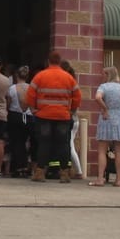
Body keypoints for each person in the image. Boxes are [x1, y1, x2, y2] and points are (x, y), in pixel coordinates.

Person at [30, 50, 81, 182]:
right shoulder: (68, 78)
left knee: (44, 143)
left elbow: (30, 95)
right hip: (63, 116)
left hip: (44, 116)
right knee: (63, 144)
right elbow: (77, 97)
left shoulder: (40, 76)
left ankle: (40, 173)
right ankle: (64, 174)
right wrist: (71, 111)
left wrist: (34, 110)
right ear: (59, 61)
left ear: (48, 61)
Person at [95, 65, 120, 186]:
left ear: (108, 75)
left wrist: (105, 108)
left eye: (103, 74)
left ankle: (100, 179)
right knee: (119, 151)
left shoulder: (104, 87)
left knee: (102, 150)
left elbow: (97, 97)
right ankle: (118, 179)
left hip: (106, 119)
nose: (102, 76)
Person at [6, 65, 33, 178]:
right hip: (28, 117)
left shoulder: (12, 88)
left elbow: (8, 104)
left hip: (15, 116)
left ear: (17, 75)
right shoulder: (31, 88)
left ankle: (18, 167)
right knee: (26, 142)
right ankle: (26, 166)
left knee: (16, 142)